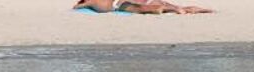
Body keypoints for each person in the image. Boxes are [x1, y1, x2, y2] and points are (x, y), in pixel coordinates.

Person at [74, 0, 212, 15]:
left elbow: (76, 6)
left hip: (119, 5)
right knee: (165, 4)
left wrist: (78, 5)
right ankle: (194, 9)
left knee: (142, 8)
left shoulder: (89, 2)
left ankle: (175, 10)